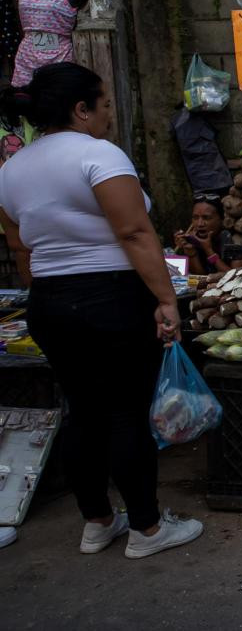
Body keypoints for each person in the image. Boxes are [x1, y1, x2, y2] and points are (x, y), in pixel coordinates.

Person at [0, 62, 203, 559]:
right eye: (106, 105)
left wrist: (54, 294)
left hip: (48, 302)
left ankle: (97, 522)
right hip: (111, 298)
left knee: (81, 413)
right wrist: (164, 299)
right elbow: (135, 233)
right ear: (81, 109)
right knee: (125, 414)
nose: (110, 115)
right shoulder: (98, 155)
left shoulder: (11, 169)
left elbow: (19, 247)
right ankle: (147, 530)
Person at [173, 194, 231, 275]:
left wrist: (209, 251)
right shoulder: (193, 239)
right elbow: (200, 277)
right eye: (195, 218)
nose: (200, 224)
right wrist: (191, 252)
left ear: (221, 219)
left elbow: (235, 277)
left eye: (206, 218)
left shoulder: (233, 238)